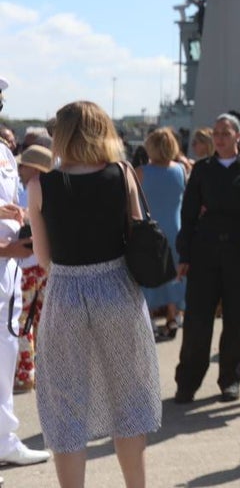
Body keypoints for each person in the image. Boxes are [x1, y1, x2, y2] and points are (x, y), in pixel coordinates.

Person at [28, 101, 160, 486]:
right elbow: (138, 233)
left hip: (67, 291)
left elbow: (42, 256)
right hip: (117, 287)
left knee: (65, 402)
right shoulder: (122, 174)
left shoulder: (40, 185)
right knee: (130, 398)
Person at [173, 113, 240, 404]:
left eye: (226, 133)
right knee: (197, 320)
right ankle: (187, 383)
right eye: (216, 133)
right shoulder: (202, 169)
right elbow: (187, 215)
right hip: (205, 252)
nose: (220, 138)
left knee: (237, 320)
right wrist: (184, 254)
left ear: (238, 136)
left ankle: (230, 380)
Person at [0, 76, 49, 472]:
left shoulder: (3, 151)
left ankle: (4, 439)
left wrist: (8, 213)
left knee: (5, 355)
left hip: (9, 274)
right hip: (4, 259)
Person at [138, 127, 187, 342]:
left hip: (151, 230)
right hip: (175, 228)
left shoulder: (141, 172)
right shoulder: (180, 169)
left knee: (148, 274)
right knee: (173, 275)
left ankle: (147, 319)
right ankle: (173, 315)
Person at [13, 145, 52, 392]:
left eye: (23, 164)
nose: (19, 168)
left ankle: (25, 374)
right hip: (45, 265)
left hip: (26, 265)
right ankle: (44, 373)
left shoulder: (26, 191)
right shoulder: (51, 189)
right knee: (43, 321)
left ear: (31, 167)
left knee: (22, 322)